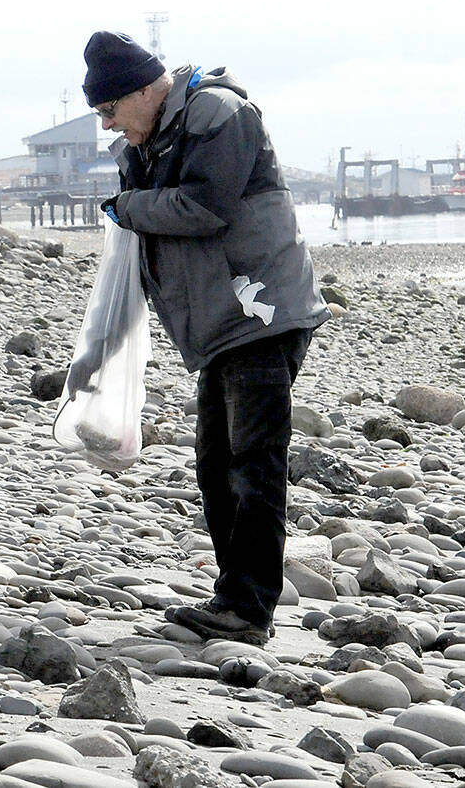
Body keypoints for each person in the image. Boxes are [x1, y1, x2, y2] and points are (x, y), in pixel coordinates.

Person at [75, 31, 329, 645]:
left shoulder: (220, 112)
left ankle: (247, 608)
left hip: (262, 315)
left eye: (110, 110)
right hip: (222, 327)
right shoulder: (148, 144)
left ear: (144, 89)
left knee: (251, 462)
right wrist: (95, 358)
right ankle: (233, 597)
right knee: (218, 465)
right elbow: (135, 266)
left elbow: (206, 207)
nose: (109, 124)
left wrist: (128, 206)